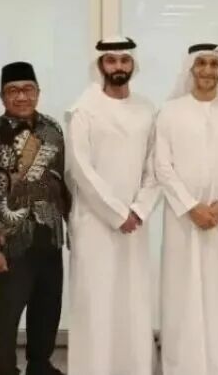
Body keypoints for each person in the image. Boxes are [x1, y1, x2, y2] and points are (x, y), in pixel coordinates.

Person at [154, 43, 218, 375]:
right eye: (202, 64)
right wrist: (191, 206)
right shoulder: (170, 111)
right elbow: (162, 165)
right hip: (183, 218)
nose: (208, 70)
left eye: (215, 64)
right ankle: (183, 365)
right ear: (191, 68)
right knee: (182, 292)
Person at [64, 36, 161, 375]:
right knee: (96, 299)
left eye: (124, 60)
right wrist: (117, 213)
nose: (118, 66)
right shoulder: (83, 109)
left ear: (133, 64)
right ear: (100, 65)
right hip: (94, 222)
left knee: (132, 298)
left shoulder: (147, 109)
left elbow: (155, 166)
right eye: (111, 60)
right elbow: (80, 168)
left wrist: (140, 209)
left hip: (135, 223)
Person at [0, 61, 70, 375]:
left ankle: (40, 364)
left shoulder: (52, 130)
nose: (22, 96)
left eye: (28, 89)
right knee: (9, 312)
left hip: (49, 235)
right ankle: (5, 367)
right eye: (13, 91)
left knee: (48, 306)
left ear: (38, 92)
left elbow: (64, 183)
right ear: (2, 97)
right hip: (10, 240)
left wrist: (71, 230)